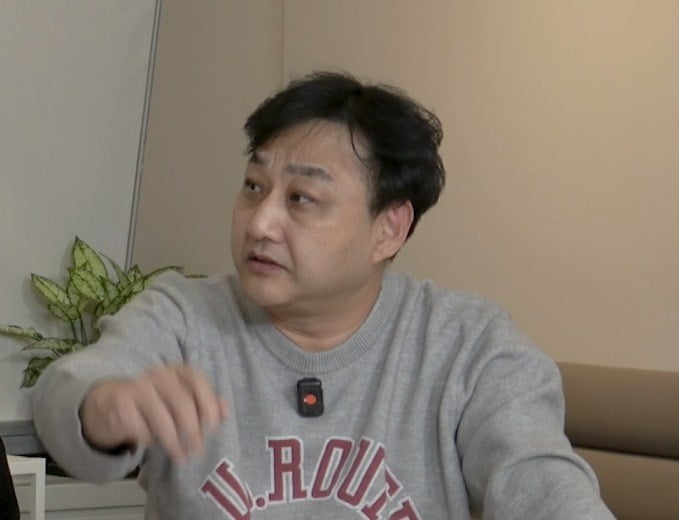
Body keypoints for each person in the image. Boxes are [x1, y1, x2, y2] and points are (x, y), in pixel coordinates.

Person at [32, 71, 615, 519]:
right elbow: (67, 395)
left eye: (301, 199)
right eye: (253, 186)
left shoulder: (468, 344)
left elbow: (541, 481)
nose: (260, 222)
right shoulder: (183, 317)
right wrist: (104, 408)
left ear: (389, 228)